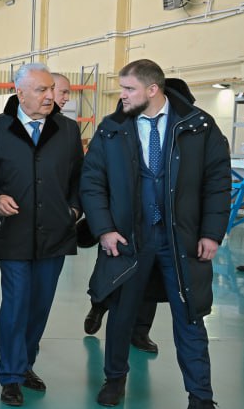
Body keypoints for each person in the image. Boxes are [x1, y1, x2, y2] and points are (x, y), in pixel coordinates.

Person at [81, 59, 232, 409]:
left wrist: (212, 232)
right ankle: (114, 379)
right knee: (122, 313)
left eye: (128, 89)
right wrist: (104, 229)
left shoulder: (199, 127)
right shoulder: (112, 129)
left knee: (191, 316)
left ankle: (201, 401)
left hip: (181, 239)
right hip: (129, 238)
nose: (122, 95)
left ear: (152, 90)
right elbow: (92, 182)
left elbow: (217, 183)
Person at [0, 63, 83, 406]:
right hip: (15, 232)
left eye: (51, 89)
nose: (50, 96)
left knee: (40, 306)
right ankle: (10, 375)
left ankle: (25, 364)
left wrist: (74, 210)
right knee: (16, 303)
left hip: (56, 232)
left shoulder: (67, 130)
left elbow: (80, 178)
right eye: (41, 90)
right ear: (20, 93)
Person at [82, 77, 197, 351]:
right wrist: (104, 222)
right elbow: (96, 177)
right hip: (123, 222)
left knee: (151, 283)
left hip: (164, 227)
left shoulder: (181, 129)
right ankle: (98, 305)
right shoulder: (119, 127)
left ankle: (140, 332)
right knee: (113, 273)